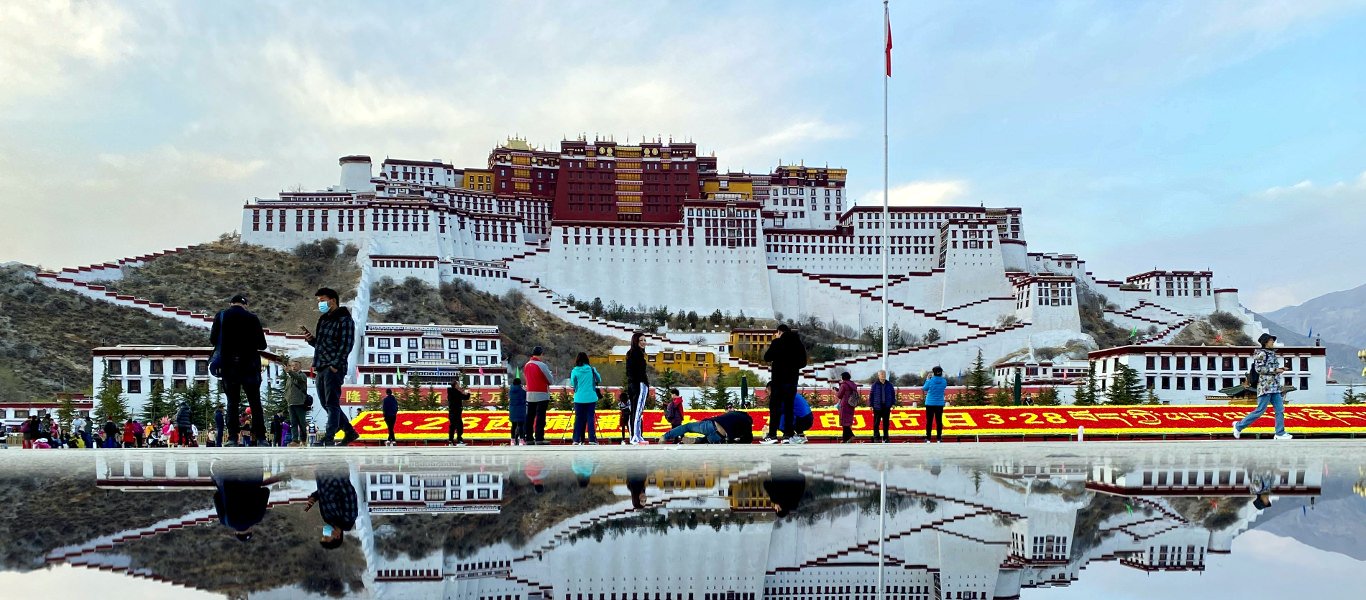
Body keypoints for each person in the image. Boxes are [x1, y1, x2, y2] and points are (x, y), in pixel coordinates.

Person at [210, 293, 268, 448]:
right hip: (250, 366)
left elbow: (213, 340)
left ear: (231, 304)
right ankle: (261, 438)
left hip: (229, 367)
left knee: (232, 403)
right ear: (245, 305)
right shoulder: (252, 318)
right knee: (255, 403)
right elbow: (262, 345)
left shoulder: (221, 316)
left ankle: (232, 438)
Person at [303, 287, 359, 446]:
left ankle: (329, 437)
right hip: (321, 365)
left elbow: (346, 344)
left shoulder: (345, 320)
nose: (320, 303)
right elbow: (321, 345)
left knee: (332, 403)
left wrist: (336, 364)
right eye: (318, 301)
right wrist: (311, 340)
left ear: (332, 300)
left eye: (322, 300)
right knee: (325, 403)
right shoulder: (323, 320)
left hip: (333, 367)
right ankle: (350, 432)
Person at [1233, 333, 1293, 440]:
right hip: (1265, 387)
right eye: (1271, 340)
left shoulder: (1271, 353)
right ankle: (1238, 426)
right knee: (1260, 410)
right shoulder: (1261, 353)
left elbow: (1270, 368)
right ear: (1265, 342)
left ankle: (1280, 433)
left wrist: (1280, 369)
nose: (1273, 342)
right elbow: (1259, 369)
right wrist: (1276, 370)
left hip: (1274, 387)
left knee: (1280, 409)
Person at [212, 462, 290, 542]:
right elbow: (216, 496)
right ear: (236, 533)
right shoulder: (224, 521)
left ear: (251, 530)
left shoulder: (257, 517)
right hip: (227, 476)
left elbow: (265, 491)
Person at [762, 324, 807, 444]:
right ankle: (788, 435)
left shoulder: (777, 342)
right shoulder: (798, 344)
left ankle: (772, 435)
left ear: (780, 332)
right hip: (791, 381)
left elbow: (767, 357)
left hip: (778, 381)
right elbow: (803, 363)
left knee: (775, 408)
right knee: (789, 408)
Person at [306, 463, 358, 550]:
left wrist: (314, 497)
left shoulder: (327, 518)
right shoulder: (349, 517)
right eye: (326, 537)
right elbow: (349, 493)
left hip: (321, 470)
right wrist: (336, 471)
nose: (324, 533)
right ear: (337, 536)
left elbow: (324, 493)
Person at [661, 410, 755, 444]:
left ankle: (665, 437)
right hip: (719, 435)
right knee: (706, 441)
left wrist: (705, 421)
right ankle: (698, 441)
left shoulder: (736, 413)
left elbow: (721, 418)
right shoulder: (747, 425)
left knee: (688, 427)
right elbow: (748, 440)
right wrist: (735, 441)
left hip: (712, 425)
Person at [522, 347, 553, 445]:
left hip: (530, 394)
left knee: (530, 417)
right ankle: (539, 438)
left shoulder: (527, 365)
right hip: (542, 394)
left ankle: (529, 438)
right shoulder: (542, 365)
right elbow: (550, 380)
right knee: (540, 417)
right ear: (541, 354)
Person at [569, 352, 601, 445]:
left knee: (578, 419)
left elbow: (572, 383)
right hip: (591, 397)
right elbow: (599, 379)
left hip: (579, 398)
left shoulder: (575, 370)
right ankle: (592, 439)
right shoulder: (591, 369)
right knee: (590, 418)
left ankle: (576, 439)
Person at [625, 332, 650, 445]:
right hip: (639, 384)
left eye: (645, 340)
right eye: (641, 340)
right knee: (638, 411)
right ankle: (636, 436)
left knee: (634, 410)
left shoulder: (630, 353)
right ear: (636, 341)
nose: (644, 342)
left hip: (632, 385)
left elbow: (628, 372)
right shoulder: (637, 354)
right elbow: (639, 372)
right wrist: (644, 383)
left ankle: (634, 436)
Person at [283, 362, 309, 447]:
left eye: (296, 365)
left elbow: (298, 378)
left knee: (302, 423)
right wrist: (287, 397)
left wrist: (289, 372)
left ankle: (303, 440)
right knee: (293, 423)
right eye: (292, 366)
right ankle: (295, 440)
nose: (294, 367)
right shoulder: (290, 378)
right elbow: (287, 388)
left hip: (300, 402)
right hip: (291, 403)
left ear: (300, 367)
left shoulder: (302, 375)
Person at [922, 366, 948, 443]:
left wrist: (927, 379)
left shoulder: (930, 381)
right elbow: (944, 387)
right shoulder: (944, 381)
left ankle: (928, 438)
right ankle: (939, 438)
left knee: (929, 421)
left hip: (930, 403)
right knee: (939, 421)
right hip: (939, 403)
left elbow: (924, 388)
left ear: (933, 373)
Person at [869, 370, 896, 443]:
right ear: (878, 376)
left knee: (886, 423)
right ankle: (876, 437)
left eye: (884, 374)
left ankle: (886, 437)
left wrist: (893, 403)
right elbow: (871, 395)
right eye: (881, 374)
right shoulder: (875, 385)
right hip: (877, 406)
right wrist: (871, 405)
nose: (883, 375)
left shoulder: (889, 384)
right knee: (876, 423)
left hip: (886, 406)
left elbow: (893, 394)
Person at [835, 372, 858, 443]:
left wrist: (836, 391)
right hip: (851, 404)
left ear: (843, 377)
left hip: (845, 404)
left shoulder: (844, 385)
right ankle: (845, 439)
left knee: (844, 422)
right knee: (847, 422)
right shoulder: (853, 384)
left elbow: (839, 395)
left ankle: (851, 435)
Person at [447, 378, 469, 446]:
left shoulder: (451, 391)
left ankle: (451, 440)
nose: (459, 385)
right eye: (458, 384)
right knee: (459, 426)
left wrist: (461, 392)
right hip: (455, 411)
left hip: (452, 411)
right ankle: (459, 440)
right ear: (455, 385)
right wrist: (466, 393)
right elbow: (465, 397)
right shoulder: (455, 392)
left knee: (452, 426)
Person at [508, 377, 527, 446]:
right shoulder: (522, 391)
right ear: (520, 383)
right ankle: (521, 440)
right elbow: (525, 397)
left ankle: (512, 440)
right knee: (520, 426)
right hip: (520, 410)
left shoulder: (510, 391)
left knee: (513, 426)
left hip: (513, 410)